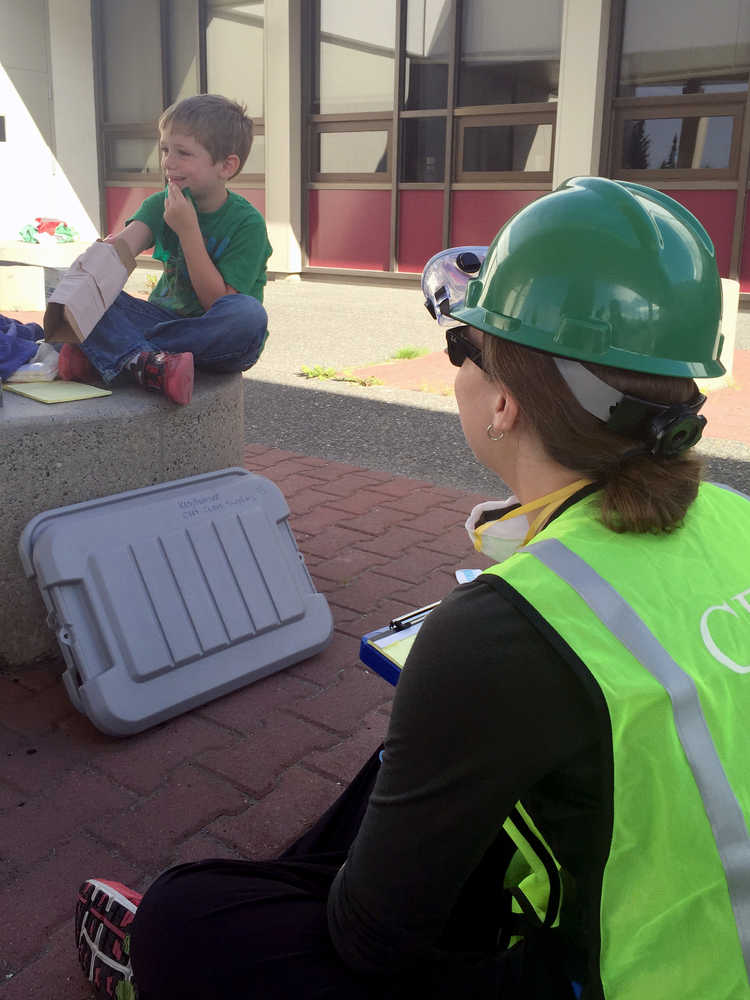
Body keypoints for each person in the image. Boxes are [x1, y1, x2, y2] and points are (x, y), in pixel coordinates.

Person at [74, 177, 750, 999]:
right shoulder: (734, 513)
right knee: (412, 767)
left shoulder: (501, 629)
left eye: (463, 345)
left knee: (186, 920)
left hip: (618, 978)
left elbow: (373, 939)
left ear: (505, 403)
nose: (453, 365)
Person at [58, 94, 272, 405]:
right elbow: (122, 249)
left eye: (183, 153)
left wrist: (188, 231)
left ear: (226, 165)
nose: (168, 162)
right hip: (160, 320)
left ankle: (118, 352)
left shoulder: (247, 224)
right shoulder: (162, 202)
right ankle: (145, 362)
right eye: (165, 150)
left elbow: (216, 303)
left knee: (248, 315)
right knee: (66, 285)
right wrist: (100, 260)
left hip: (218, 337)